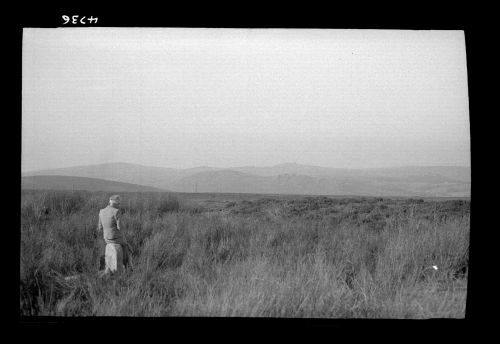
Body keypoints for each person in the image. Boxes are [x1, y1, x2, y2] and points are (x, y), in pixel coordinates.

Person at [98, 195, 130, 274]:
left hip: (106, 238)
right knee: (127, 246)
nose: (119, 205)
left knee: (125, 243)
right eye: (119, 204)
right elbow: (120, 227)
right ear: (116, 203)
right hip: (116, 238)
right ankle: (128, 267)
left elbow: (100, 227)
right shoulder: (116, 211)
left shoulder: (101, 211)